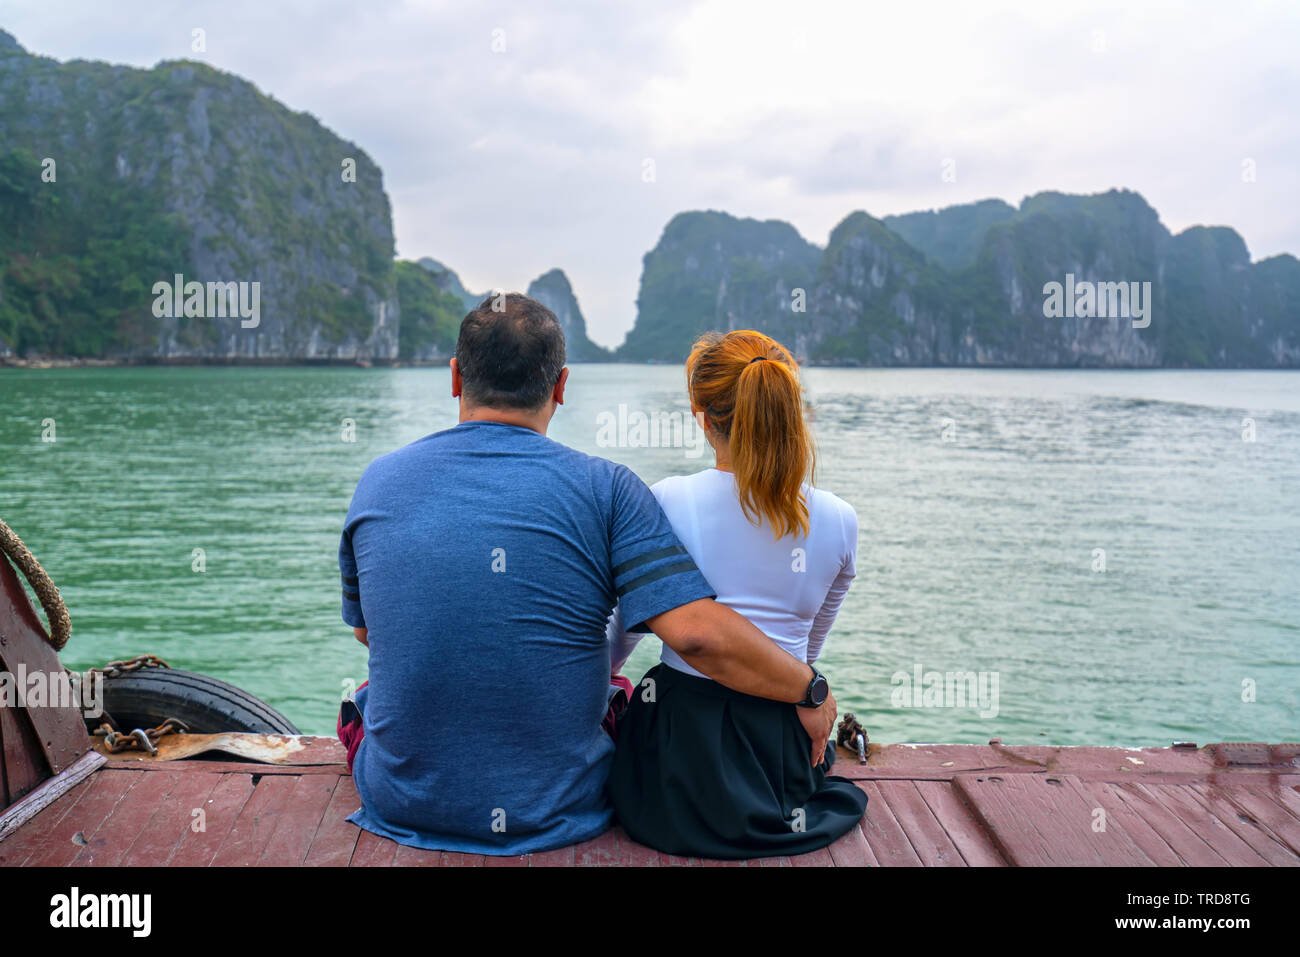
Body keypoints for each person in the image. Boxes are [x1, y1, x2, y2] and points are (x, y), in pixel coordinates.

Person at [337, 295, 838, 856]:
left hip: (398, 801)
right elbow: (696, 634)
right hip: (563, 807)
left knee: (365, 695)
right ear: (561, 386)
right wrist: (809, 686)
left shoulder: (377, 483)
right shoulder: (609, 490)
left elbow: (369, 632)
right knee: (617, 689)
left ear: (455, 378)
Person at [607, 330, 868, 859]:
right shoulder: (840, 520)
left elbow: (618, 641)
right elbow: (804, 654)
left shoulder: (668, 500)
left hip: (679, 751)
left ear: (704, 418)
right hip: (781, 746)